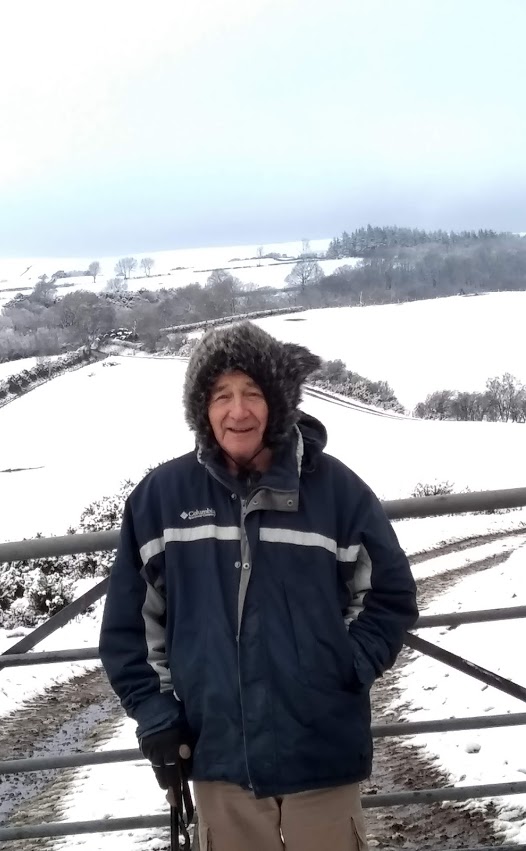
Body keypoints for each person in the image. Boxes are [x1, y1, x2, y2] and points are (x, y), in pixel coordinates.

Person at [99, 321, 418, 851]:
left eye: (252, 393)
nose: (238, 411)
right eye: (221, 395)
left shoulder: (338, 492)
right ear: (202, 408)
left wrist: (343, 666)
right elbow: (131, 626)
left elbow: (388, 595)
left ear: (278, 401)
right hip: (218, 752)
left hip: (322, 752)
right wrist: (156, 712)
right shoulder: (161, 498)